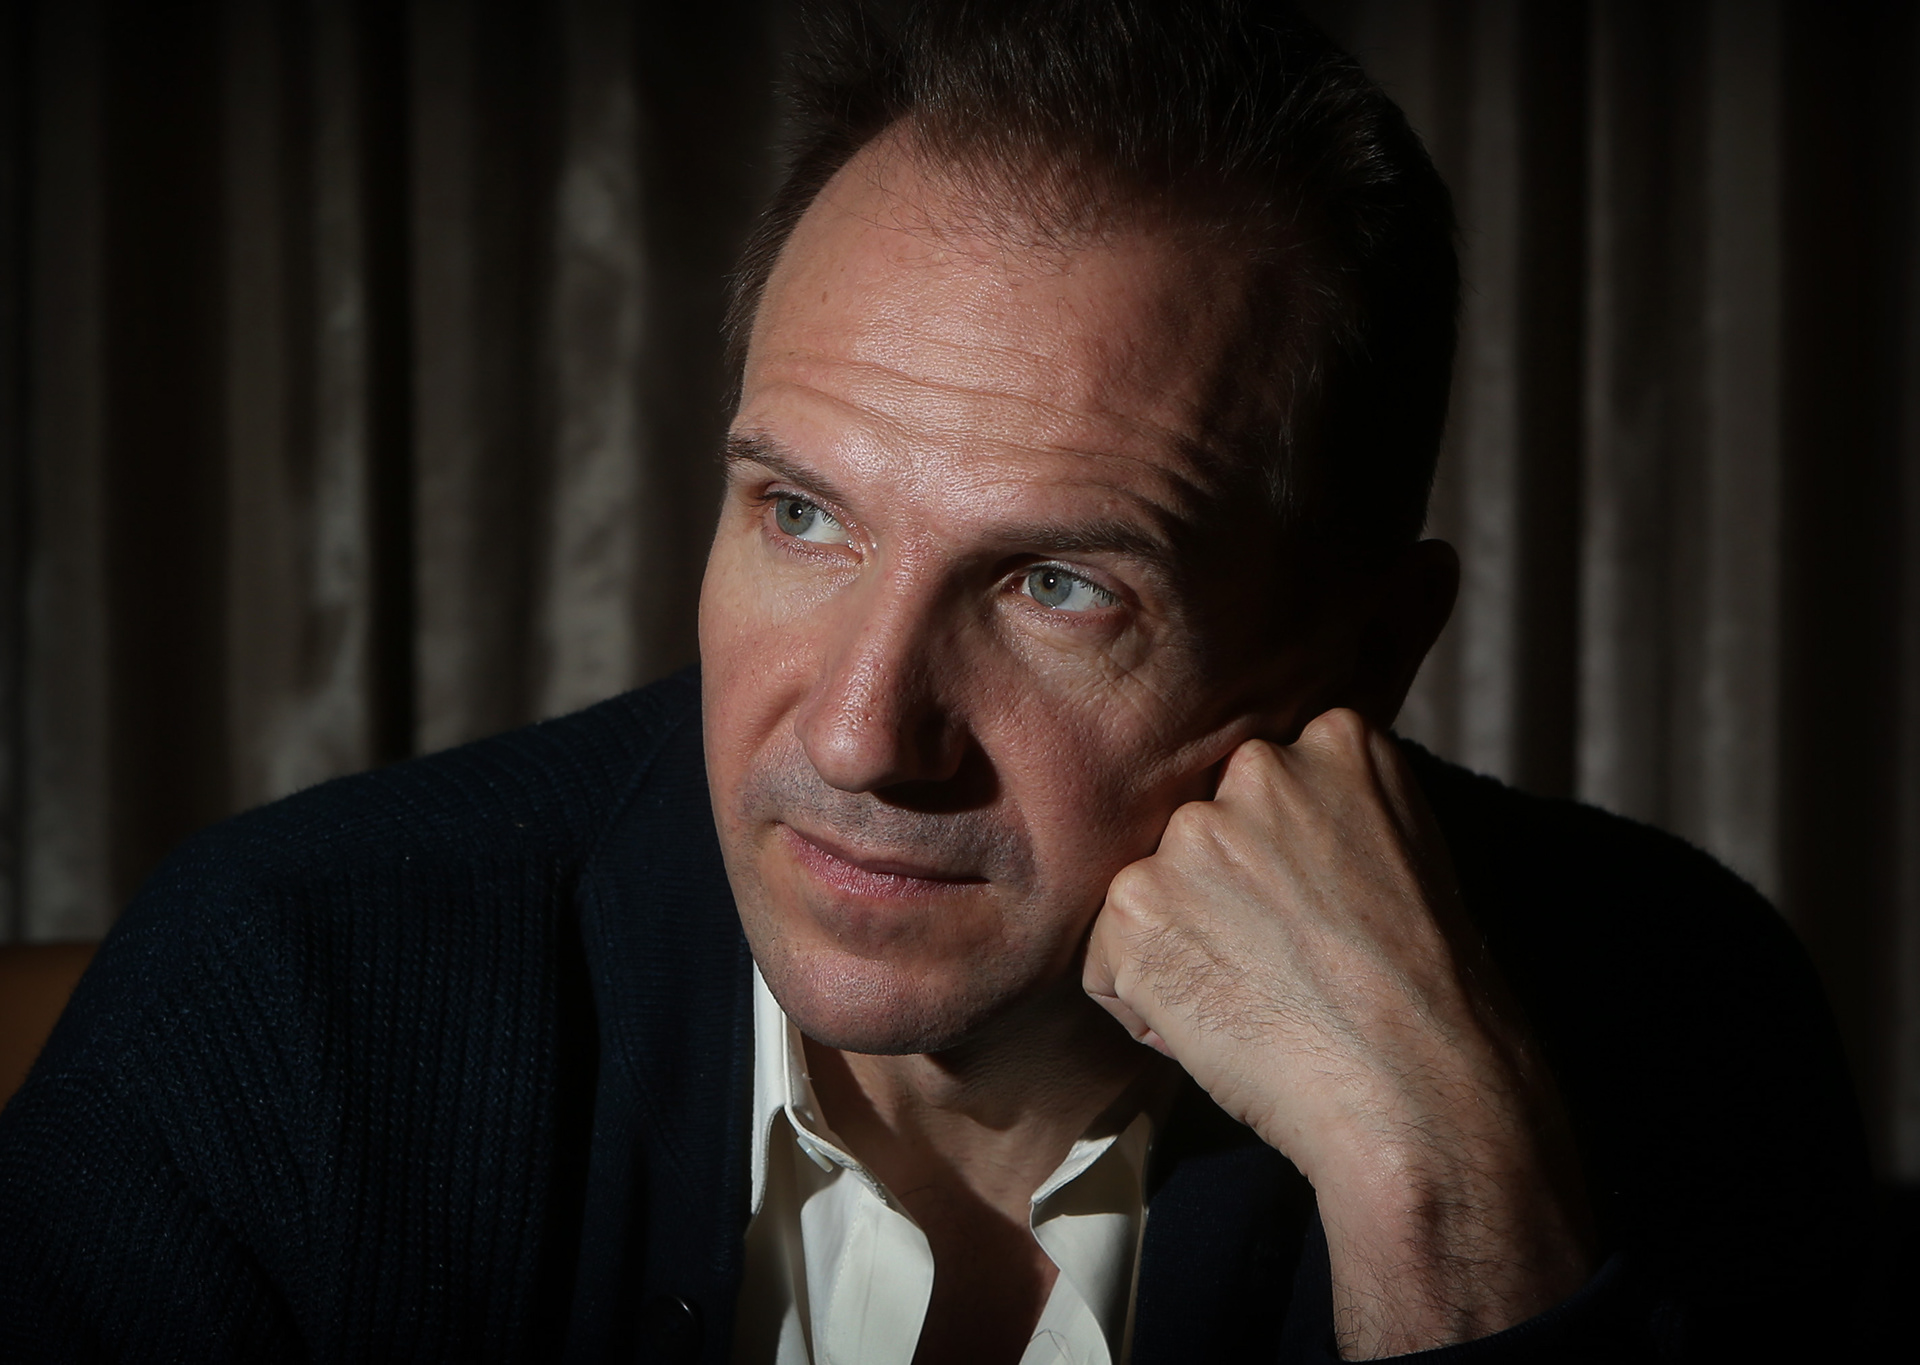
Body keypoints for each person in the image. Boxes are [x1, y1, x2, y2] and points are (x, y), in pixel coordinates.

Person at [0, 3, 1867, 1362]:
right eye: (802, 513)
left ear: (1367, 654)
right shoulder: (285, 1006)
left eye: (1060, 585)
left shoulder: (1667, 1034)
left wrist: (1447, 1219)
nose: (857, 730)